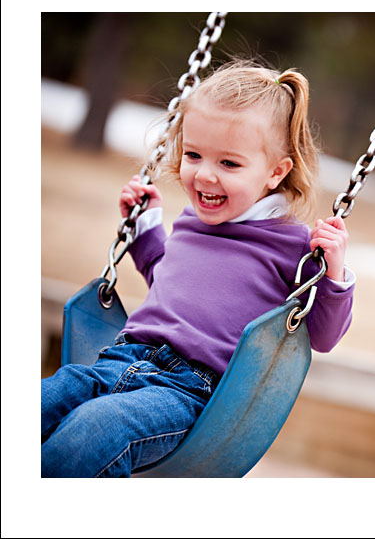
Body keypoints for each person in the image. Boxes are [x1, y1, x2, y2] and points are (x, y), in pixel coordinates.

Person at [41, 61, 355, 477]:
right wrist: (144, 227)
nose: (205, 174)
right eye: (193, 154)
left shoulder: (295, 246)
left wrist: (333, 276)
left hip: (184, 391)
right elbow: (168, 283)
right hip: (118, 358)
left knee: (94, 430)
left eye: (229, 164)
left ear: (276, 172)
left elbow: (322, 335)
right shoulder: (191, 221)